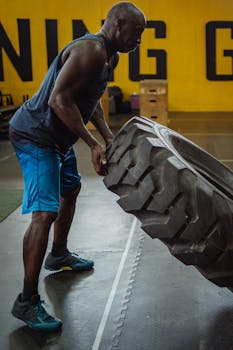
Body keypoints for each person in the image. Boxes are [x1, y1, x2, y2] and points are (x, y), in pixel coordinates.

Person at [9, 1, 146, 332]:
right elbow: (59, 100)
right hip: (36, 133)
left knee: (71, 189)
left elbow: (88, 101)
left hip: (58, 137)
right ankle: (26, 302)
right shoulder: (91, 51)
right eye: (137, 33)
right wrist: (94, 144)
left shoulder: (108, 56)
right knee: (44, 213)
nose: (139, 41)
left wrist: (109, 136)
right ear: (117, 25)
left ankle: (58, 254)